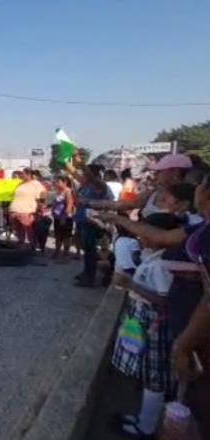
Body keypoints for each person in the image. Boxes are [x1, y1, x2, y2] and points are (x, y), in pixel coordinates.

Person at [99, 175, 210, 438]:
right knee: (161, 376)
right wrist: (118, 219)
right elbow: (159, 234)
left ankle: (147, 426)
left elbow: (166, 296)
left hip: (172, 322)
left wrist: (131, 285)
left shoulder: (170, 254)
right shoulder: (197, 226)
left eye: (203, 184)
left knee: (159, 376)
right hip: (177, 319)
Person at [65, 162, 114, 287]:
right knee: (87, 250)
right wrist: (67, 161)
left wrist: (82, 164)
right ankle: (86, 273)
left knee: (91, 251)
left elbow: (91, 178)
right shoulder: (87, 185)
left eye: (86, 173)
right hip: (84, 220)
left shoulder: (100, 186)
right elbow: (75, 174)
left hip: (94, 223)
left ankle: (90, 277)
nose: (83, 175)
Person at [8, 168, 47, 249]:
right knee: (18, 230)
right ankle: (20, 243)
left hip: (26, 211)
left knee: (29, 230)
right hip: (14, 210)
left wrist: (40, 206)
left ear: (28, 175)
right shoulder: (20, 183)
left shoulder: (35, 183)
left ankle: (32, 246)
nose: (21, 175)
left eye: (23, 174)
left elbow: (43, 194)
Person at [51, 176, 75, 262]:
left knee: (66, 236)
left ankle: (66, 254)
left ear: (65, 182)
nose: (56, 183)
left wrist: (64, 217)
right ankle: (57, 251)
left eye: (58, 182)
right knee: (58, 235)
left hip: (65, 218)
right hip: (57, 217)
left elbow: (69, 205)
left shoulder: (68, 191)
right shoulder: (59, 191)